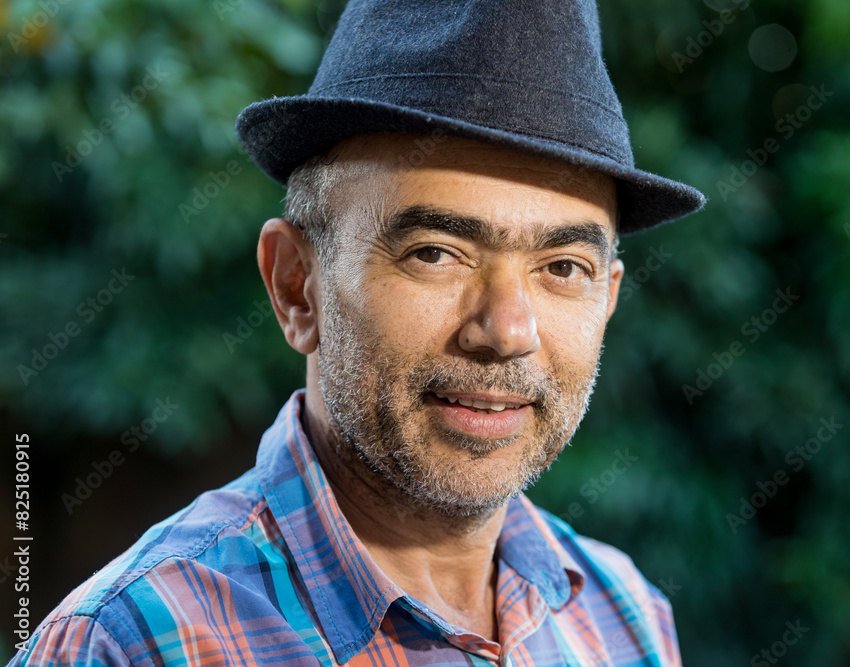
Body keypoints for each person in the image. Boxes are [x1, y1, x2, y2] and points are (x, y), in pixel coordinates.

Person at [9, 0, 705, 664]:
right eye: (434, 252)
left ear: (608, 297)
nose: (506, 329)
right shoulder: (132, 643)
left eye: (563, 266)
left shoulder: (624, 617)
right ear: (295, 286)